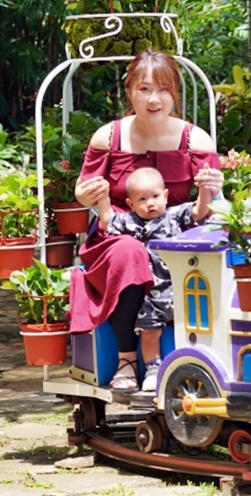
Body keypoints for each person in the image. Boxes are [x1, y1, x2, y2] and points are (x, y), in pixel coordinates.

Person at [70, 49, 224, 392]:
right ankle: (127, 359)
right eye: (144, 89)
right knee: (130, 253)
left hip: (177, 233)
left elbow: (211, 204)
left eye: (164, 90)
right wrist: (90, 194)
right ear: (130, 92)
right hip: (117, 236)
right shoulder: (107, 137)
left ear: (175, 94)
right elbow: (83, 193)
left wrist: (212, 189)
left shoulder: (194, 139)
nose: (155, 99)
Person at [95, 165, 218, 391]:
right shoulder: (129, 221)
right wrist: (103, 198)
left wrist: (203, 190)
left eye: (155, 196)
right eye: (142, 199)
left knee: (197, 327)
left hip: (179, 290)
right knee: (150, 332)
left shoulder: (174, 216)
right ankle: (153, 367)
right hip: (150, 295)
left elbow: (199, 212)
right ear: (131, 204)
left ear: (166, 196)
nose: (150, 203)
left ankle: (199, 367)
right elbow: (107, 222)